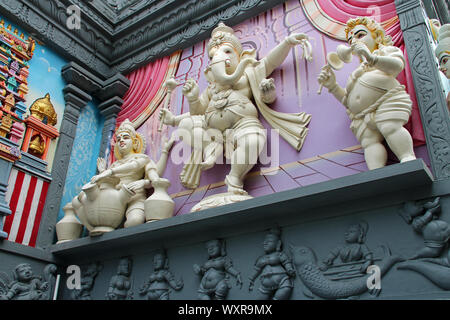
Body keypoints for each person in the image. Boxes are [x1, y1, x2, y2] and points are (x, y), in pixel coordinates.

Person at [160, 23, 311, 193]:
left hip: (243, 126)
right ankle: (210, 146)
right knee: (186, 126)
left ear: (241, 56)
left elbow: (269, 62)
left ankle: (234, 178)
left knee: (254, 141)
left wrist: (287, 42)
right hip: (212, 132)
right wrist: (193, 98)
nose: (220, 57)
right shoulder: (212, 88)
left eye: (227, 51)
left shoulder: (247, 75)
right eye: (213, 56)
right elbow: (198, 112)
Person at [318, 17, 416, 170]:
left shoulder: (385, 52)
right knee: (369, 142)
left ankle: (407, 156)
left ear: (376, 36)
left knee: (390, 127)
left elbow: (397, 66)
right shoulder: (358, 72)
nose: (354, 42)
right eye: (351, 40)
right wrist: (332, 85)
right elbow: (348, 101)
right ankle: (375, 171)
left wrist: (371, 58)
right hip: (361, 116)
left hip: (387, 102)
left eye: (360, 35)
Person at [90, 119, 174, 228]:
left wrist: (164, 152)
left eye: (125, 137)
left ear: (134, 142)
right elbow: (107, 183)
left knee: (134, 221)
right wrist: (103, 172)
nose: (121, 141)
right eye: (118, 139)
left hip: (136, 196)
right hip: (114, 199)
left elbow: (155, 177)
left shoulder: (141, 158)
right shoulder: (115, 164)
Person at [248, 228, 296, 300]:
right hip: (265, 284)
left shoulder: (279, 255)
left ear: (278, 244)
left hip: (282, 279)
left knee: (286, 289)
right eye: (264, 241)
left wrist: (289, 269)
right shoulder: (261, 258)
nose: (265, 243)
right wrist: (251, 279)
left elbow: (286, 262)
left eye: (269, 241)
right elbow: (256, 270)